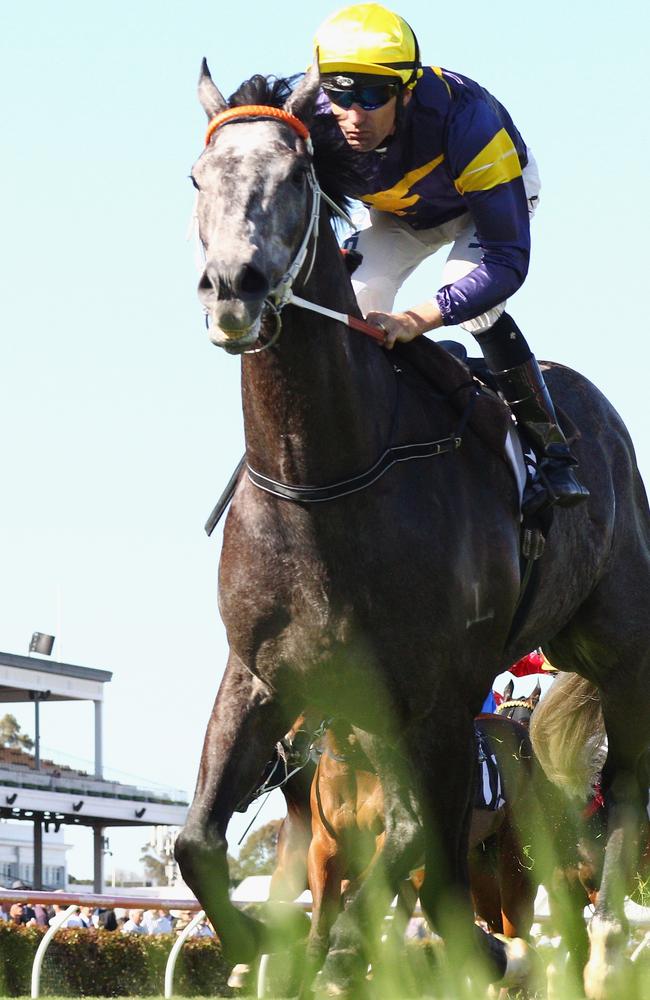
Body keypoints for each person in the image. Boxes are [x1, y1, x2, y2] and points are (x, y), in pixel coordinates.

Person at [313, 3, 589, 514]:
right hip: (396, 212)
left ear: (407, 89)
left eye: (373, 97)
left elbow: (507, 261)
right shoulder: (312, 113)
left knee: (471, 292)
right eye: (340, 95)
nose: (353, 117)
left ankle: (550, 450)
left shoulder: (469, 124)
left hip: (483, 202)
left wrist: (415, 319)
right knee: (349, 305)